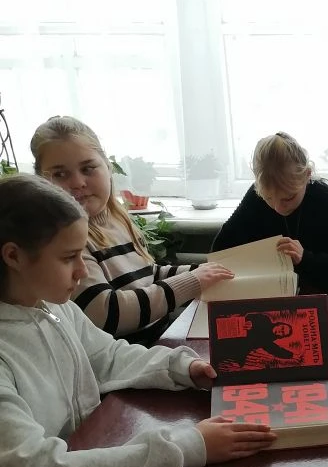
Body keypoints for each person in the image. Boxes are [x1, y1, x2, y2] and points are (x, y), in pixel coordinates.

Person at [0, 174, 276, 467]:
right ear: (14, 256)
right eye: (68, 257)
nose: (82, 271)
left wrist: (182, 367)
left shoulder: (54, 307)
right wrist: (188, 446)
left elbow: (107, 356)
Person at [31, 116, 234, 344]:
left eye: (88, 168)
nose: (78, 182)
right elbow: (106, 314)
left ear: (108, 168)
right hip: (127, 356)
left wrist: (207, 272)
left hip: (161, 341)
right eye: (60, 174)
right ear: (41, 182)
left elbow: (149, 275)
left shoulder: (118, 220)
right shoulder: (66, 242)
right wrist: (192, 282)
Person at [211, 131, 328, 301]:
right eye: (268, 198)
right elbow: (219, 255)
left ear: (307, 175)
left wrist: (306, 260)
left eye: (288, 198)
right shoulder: (255, 197)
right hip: (272, 307)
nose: (278, 208)